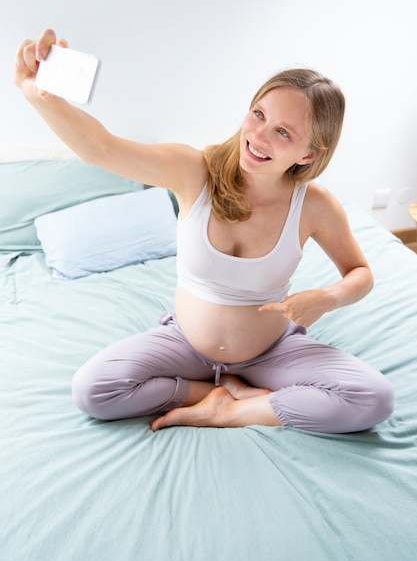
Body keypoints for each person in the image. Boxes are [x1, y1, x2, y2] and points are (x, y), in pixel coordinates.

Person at [14, 28, 394, 433]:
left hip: (271, 352)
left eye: (283, 132)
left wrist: (329, 298)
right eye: (259, 114)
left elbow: (361, 273)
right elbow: (101, 148)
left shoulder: (314, 204)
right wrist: (42, 96)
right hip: (185, 345)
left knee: (373, 398)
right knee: (93, 391)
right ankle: (207, 394)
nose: (258, 136)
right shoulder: (194, 171)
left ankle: (233, 409)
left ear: (309, 153)